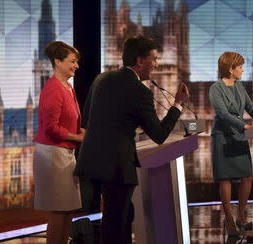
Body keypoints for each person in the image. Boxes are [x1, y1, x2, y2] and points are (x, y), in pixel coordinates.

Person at [74, 35, 189, 244]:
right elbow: (159, 134)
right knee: (116, 221)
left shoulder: (101, 79)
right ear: (140, 61)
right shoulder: (140, 91)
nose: (156, 64)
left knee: (121, 216)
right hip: (117, 166)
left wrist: (125, 126)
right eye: (153, 59)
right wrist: (177, 105)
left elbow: (88, 120)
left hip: (91, 162)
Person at [209, 52, 253, 237]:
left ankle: (241, 216)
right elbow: (223, 114)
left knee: (247, 176)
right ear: (230, 69)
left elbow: (251, 108)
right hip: (223, 136)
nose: (242, 69)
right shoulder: (215, 88)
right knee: (226, 179)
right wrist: (245, 125)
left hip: (239, 136)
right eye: (240, 66)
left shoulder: (240, 86)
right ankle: (229, 219)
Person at [33, 41, 85, 244]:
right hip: (53, 156)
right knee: (59, 210)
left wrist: (83, 132)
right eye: (72, 61)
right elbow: (50, 128)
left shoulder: (68, 88)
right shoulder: (53, 88)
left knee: (68, 209)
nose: (77, 66)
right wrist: (77, 137)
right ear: (58, 62)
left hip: (65, 154)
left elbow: (69, 122)